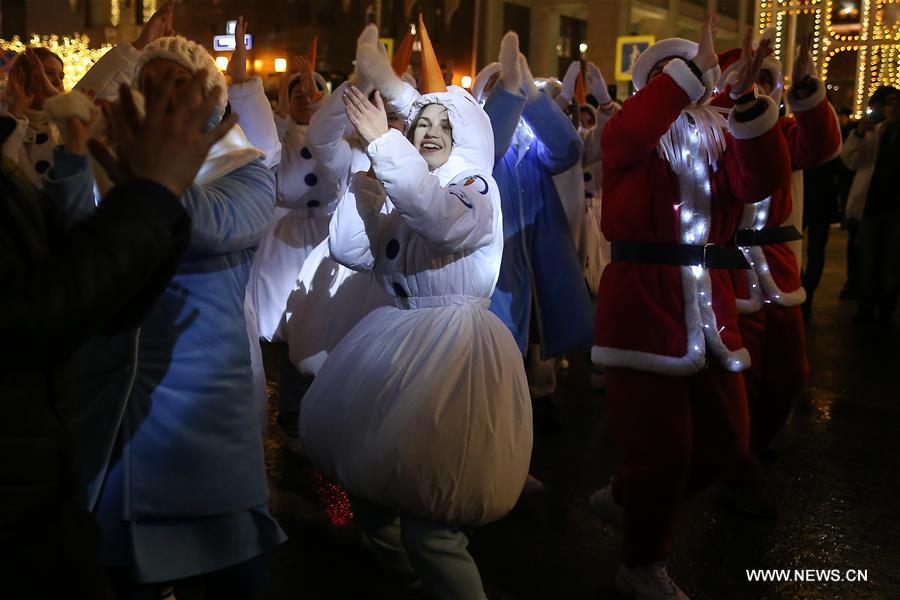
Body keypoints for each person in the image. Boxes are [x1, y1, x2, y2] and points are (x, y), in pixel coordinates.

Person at [298, 18, 532, 599]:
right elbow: (353, 251)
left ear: (467, 138)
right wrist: (367, 174)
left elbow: (443, 223)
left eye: (443, 125)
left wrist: (387, 147)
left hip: (452, 355)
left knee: (433, 525)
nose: (428, 131)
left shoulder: (475, 187)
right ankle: (405, 576)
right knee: (373, 498)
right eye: (421, 122)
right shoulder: (409, 187)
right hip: (395, 342)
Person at [46, 28, 284, 597]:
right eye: (149, 85)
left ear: (210, 97)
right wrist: (75, 160)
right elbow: (77, 241)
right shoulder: (122, 166)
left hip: (202, 410)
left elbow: (211, 227)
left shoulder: (246, 170)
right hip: (121, 403)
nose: (164, 96)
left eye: (180, 83)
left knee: (228, 573)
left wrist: (145, 178)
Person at [0, 67, 230, 598]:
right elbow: (37, 314)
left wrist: (146, 197)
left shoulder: (246, 166)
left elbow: (96, 304)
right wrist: (153, 193)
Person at [587, 16, 791, 597]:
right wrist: (693, 72)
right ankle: (640, 563)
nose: (694, 85)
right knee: (663, 451)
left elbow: (760, 181)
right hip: (644, 309)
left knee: (728, 443)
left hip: (710, 307)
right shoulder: (626, 132)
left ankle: (628, 498)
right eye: (675, 76)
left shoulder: (719, 137)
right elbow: (633, 129)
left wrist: (746, 101)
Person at [711, 32, 841, 517]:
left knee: (790, 373)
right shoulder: (712, 134)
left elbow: (821, 146)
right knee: (740, 380)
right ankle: (738, 467)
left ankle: (754, 443)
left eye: (766, 81)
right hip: (732, 271)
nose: (759, 89)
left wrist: (808, 92)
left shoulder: (783, 130)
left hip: (777, 269)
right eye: (749, 80)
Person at [474, 32, 592, 407]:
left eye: (510, 87)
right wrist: (509, 94)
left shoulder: (533, 147)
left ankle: (540, 399)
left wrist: (535, 98)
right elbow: (490, 145)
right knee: (499, 359)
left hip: (540, 266)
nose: (507, 94)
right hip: (496, 273)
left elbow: (568, 149)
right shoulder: (475, 147)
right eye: (497, 88)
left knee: (540, 342)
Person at [841, 85, 900, 324]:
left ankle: (886, 305)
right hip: (871, 206)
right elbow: (850, 160)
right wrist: (858, 134)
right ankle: (866, 305)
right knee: (867, 257)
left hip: (895, 208)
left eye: (896, 104)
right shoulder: (874, 132)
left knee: (891, 259)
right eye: (889, 104)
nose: (892, 108)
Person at [1, 46, 65, 186]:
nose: (57, 83)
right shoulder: (4, 123)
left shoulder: (65, 126)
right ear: (21, 77)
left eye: (61, 77)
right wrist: (16, 115)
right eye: (48, 73)